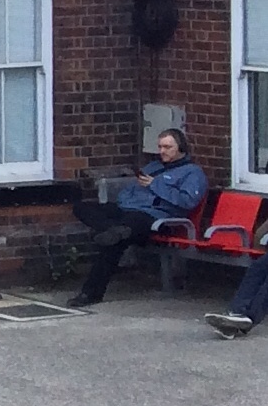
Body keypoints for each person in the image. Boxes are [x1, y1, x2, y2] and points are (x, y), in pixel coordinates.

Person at [68, 128, 204, 307]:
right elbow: (128, 191)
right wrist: (126, 203)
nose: (162, 151)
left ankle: (90, 293)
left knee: (115, 241)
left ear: (181, 148)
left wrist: (156, 186)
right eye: (160, 146)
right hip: (127, 210)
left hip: (155, 217)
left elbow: (187, 201)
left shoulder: (192, 173)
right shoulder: (153, 167)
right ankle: (113, 230)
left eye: (168, 147)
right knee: (83, 208)